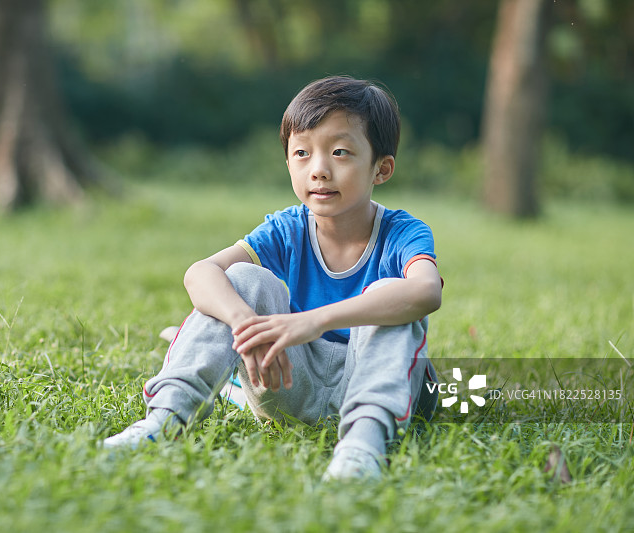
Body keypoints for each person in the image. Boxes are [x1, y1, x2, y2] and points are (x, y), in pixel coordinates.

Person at [104, 75, 442, 482]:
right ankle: (165, 419)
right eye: (301, 153)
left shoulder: (403, 233)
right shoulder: (286, 230)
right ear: (288, 163)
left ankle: (361, 449)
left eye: (339, 152)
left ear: (381, 168)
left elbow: (425, 291)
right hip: (290, 383)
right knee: (241, 278)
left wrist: (313, 320)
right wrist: (243, 322)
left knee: (392, 295)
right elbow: (200, 273)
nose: (318, 170)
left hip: (382, 387)